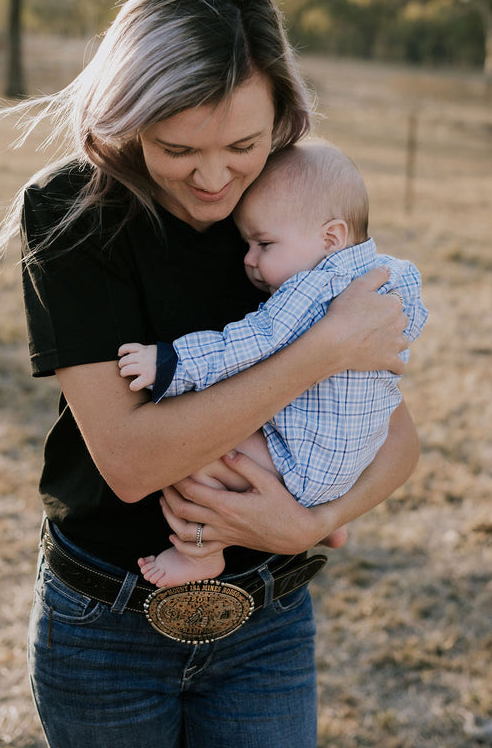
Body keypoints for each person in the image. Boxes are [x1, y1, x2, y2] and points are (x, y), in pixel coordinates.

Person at [0, 0, 419, 748]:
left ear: (282, 116)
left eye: (244, 144)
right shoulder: (70, 212)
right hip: (104, 626)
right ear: (125, 116)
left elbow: (394, 435)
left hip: (269, 618)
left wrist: (311, 521)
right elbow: (131, 460)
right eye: (177, 147)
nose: (216, 177)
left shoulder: (293, 206)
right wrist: (322, 347)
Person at [118, 139, 427, 587]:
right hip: (355, 464)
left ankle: (201, 551)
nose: (249, 258)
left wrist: (171, 362)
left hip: (302, 464)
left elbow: (248, 341)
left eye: (264, 243)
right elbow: (411, 326)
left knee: (197, 448)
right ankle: (324, 515)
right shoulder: (397, 274)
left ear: (330, 238)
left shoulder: (308, 290)